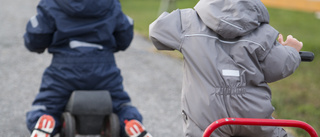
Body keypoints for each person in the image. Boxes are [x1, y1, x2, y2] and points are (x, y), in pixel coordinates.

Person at [149, 0, 303, 136]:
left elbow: (156, 31)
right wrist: (291, 51)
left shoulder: (188, 22)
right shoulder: (263, 33)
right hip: (253, 118)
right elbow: (277, 67)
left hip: (206, 120)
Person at [23, 0, 152, 137]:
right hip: (104, 68)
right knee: (120, 105)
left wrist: (36, 44)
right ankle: (130, 123)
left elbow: (36, 36)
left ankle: (45, 120)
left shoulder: (52, 3)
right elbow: (124, 34)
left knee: (48, 104)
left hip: (64, 69)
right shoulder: (110, 3)